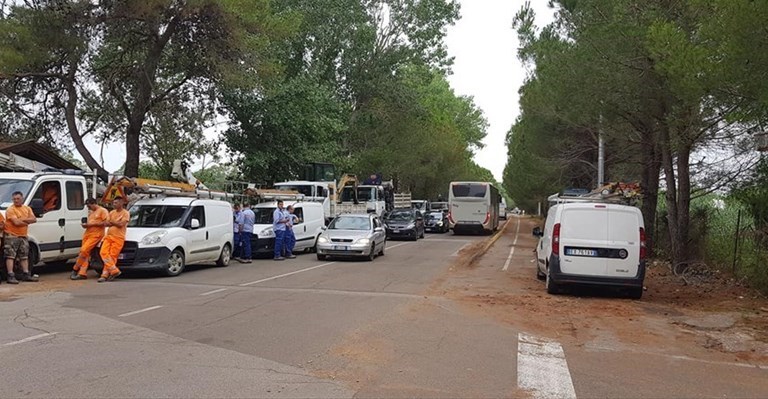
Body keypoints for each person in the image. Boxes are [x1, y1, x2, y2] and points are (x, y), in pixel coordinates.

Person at [4, 191, 38, 284]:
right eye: (14, 199)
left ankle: (26, 274)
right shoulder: (10, 210)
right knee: (10, 256)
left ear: (22, 199)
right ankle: (10, 275)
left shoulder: (27, 208)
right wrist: (27, 221)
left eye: (18, 199)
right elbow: (16, 223)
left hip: (23, 236)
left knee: (24, 256)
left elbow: (34, 219)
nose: (16, 201)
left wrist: (22, 220)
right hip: (12, 236)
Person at [71, 198, 109, 280]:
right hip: (88, 234)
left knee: (84, 250)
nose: (88, 208)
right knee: (85, 253)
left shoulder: (103, 211)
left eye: (89, 206)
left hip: (96, 235)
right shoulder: (91, 212)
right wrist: (87, 225)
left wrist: (92, 224)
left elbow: (106, 223)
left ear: (94, 203)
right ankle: (82, 273)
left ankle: (75, 268)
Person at [98, 196, 130, 283]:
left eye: (116, 203)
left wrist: (113, 223)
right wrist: (114, 223)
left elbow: (121, 224)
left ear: (121, 203)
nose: (114, 204)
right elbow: (107, 223)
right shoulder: (112, 212)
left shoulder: (125, 213)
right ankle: (114, 271)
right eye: (114, 203)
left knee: (112, 256)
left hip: (118, 238)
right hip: (109, 236)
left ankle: (104, 275)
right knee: (103, 252)